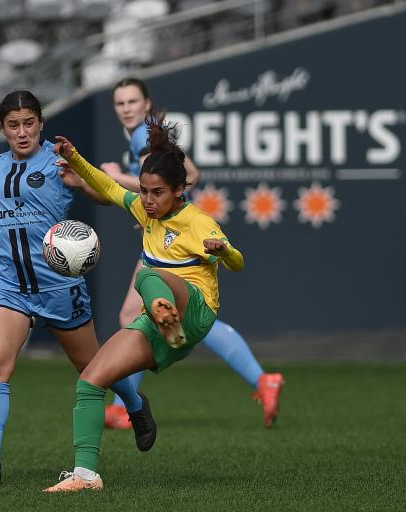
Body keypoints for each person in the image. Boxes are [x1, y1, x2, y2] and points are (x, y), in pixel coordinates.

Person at [0, 90, 154, 485]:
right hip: (9, 285)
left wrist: (80, 177)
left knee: (93, 369)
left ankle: (136, 404)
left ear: (41, 123)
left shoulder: (58, 159)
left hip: (59, 286)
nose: (22, 132)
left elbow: (104, 196)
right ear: (2, 129)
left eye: (29, 123)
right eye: (13, 125)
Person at [43, 114, 246, 492]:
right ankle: (86, 476)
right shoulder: (143, 208)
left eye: (157, 193)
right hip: (160, 320)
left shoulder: (198, 222)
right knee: (90, 380)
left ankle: (164, 316)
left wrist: (224, 250)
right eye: (144, 191)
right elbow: (106, 184)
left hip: (196, 311)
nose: (148, 201)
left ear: (179, 191)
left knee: (145, 276)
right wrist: (75, 158)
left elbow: (238, 262)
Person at [96, 78, 284, 430]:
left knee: (134, 313)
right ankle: (262, 380)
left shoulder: (142, 137)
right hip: (173, 230)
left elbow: (156, 181)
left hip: (174, 237)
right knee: (191, 318)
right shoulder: (149, 135)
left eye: (133, 101)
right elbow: (192, 173)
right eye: (120, 103)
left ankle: (125, 406)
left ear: (147, 103)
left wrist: (117, 177)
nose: (127, 109)